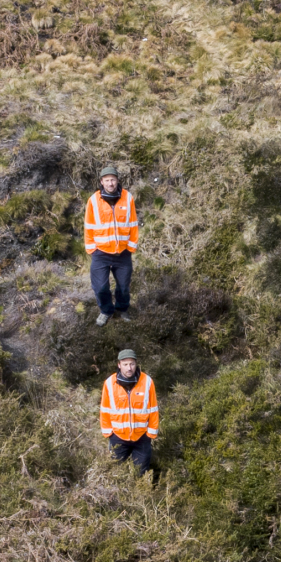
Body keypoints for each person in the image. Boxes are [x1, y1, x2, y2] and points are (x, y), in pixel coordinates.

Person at [84, 165, 139, 326]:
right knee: (100, 288)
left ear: (117, 181)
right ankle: (106, 311)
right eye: (107, 180)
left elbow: (133, 223)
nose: (110, 183)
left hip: (122, 253)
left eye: (113, 180)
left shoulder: (127, 198)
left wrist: (131, 247)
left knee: (123, 287)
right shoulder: (94, 200)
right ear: (102, 182)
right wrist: (91, 248)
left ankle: (122, 309)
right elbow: (89, 225)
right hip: (100, 253)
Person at [99, 347, 158, 475]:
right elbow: (104, 409)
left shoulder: (147, 382)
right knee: (115, 473)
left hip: (142, 437)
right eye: (125, 364)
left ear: (136, 364)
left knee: (141, 474)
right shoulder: (109, 383)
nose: (129, 368)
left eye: (132, 364)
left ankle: (141, 494)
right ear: (119, 365)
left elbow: (153, 409)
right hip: (118, 437)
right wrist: (108, 433)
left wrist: (151, 434)